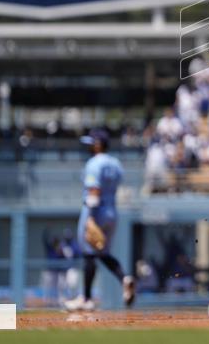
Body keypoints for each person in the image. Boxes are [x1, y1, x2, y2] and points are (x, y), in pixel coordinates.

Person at [64, 129, 135, 311]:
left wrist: (91, 218)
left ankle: (86, 298)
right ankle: (124, 278)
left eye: (90, 143)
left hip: (96, 210)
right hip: (112, 211)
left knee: (88, 254)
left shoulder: (94, 163)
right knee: (102, 253)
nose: (87, 146)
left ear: (98, 144)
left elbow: (94, 191)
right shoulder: (115, 163)